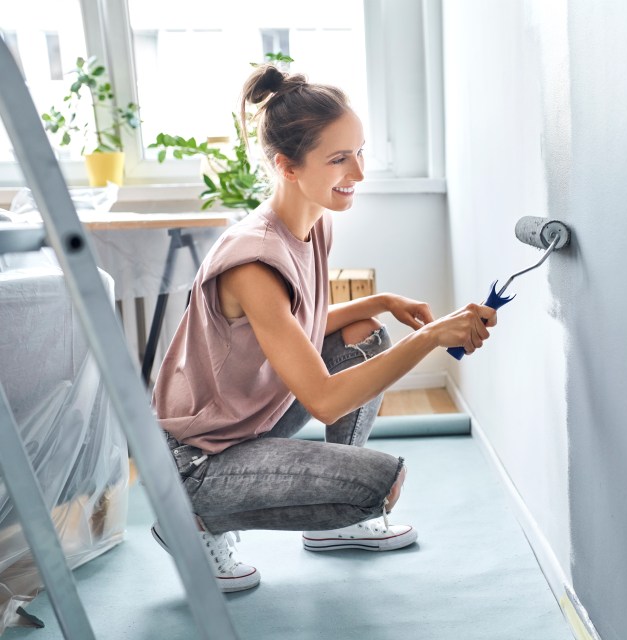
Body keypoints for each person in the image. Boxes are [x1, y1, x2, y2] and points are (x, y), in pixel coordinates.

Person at [150, 64, 496, 592]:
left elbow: (298, 331)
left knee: (364, 331)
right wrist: (429, 337)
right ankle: (195, 522)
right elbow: (326, 401)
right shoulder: (254, 262)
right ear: (286, 166)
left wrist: (377, 301)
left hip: (245, 418)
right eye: (338, 159)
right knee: (378, 484)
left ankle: (336, 532)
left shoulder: (314, 223)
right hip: (198, 460)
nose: (357, 172)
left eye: (359, 151)